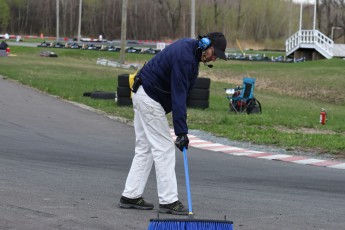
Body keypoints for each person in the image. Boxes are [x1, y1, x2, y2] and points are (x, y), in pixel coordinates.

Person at [119, 32, 227, 215]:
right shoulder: (185, 57)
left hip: (142, 92)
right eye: (214, 53)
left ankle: (130, 195)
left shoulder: (190, 52)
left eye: (217, 56)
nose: (214, 58)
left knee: (145, 148)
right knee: (164, 148)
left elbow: (179, 93)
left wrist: (181, 130)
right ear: (205, 44)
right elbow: (179, 95)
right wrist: (181, 132)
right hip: (148, 96)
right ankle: (169, 201)